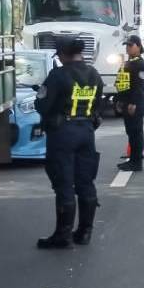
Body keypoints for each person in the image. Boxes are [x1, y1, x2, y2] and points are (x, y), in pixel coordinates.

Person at [35, 37, 104, 249]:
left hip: (62, 134)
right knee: (85, 182)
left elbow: (42, 105)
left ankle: (63, 236)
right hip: (86, 132)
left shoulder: (58, 75)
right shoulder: (94, 74)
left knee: (64, 183)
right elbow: (98, 104)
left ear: (63, 54)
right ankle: (85, 232)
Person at [116, 35, 144, 172]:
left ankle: (136, 162)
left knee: (135, 133)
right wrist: (119, 100)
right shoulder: (130, 61)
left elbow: (138, 85)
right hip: (126, 101)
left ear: (138, 46)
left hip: (134, 102)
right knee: (132, 132)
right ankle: (134, 159)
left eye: (130, 45)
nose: (127, 48)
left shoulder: (139, 63)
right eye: (127, 45)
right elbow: (123, 82)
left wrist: (133, 103)